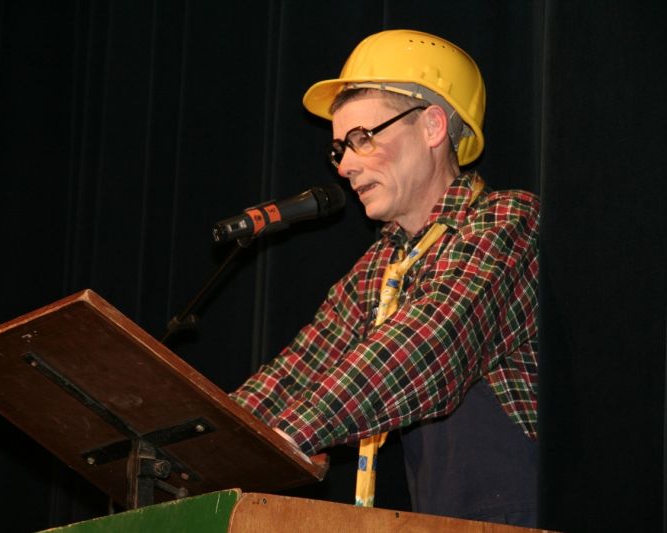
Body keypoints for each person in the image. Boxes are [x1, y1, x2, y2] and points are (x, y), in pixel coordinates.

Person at [230, 29, 539, 527]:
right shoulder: (382, 265)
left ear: (433, 126)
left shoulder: (506, 221)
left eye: (362, 139)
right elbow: (299, 371)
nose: (346, 167)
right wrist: (211, 441)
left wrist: (290, 436)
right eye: (340, 149)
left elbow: (429, 343)